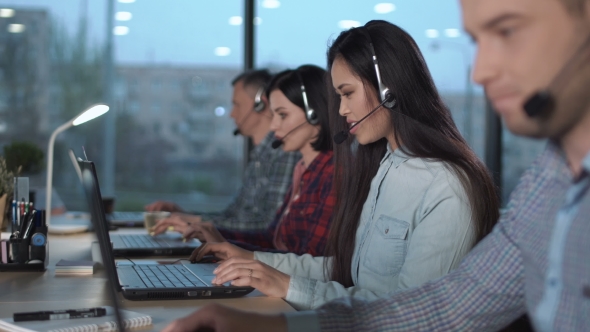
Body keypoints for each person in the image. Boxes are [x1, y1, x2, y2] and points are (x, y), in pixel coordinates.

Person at [162, 0, 590, 331]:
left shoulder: (445, 184)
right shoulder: (549, 182)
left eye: (508, 31)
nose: (480, 72)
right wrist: (270, 308)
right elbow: (446, 305)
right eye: (477, 42)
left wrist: (283, 292)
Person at [171, 19, 499, 312]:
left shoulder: (446, 186)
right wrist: (253, 261)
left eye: (347, 93)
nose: (341, 110)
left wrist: (287, 286)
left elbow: (410, 313)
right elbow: (346, 271)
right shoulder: (388, 165)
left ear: (388, 89)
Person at [152, 65, 336, 256]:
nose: (273, 126)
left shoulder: (330, 172)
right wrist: (217, 238)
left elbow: (312, 262)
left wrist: (231, 248)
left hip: (289, 282)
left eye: (282, 115)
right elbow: (270, 237)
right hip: (280, 277)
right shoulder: (302, 168)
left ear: (314, 113)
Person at [145, 69, 300, 231]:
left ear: (260, 105)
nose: (231, 115)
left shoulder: (285, 152)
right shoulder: (260, 155)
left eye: (237, 105)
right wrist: (183, 215)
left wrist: (193, 221)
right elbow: (233, 215)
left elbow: (269, 226)